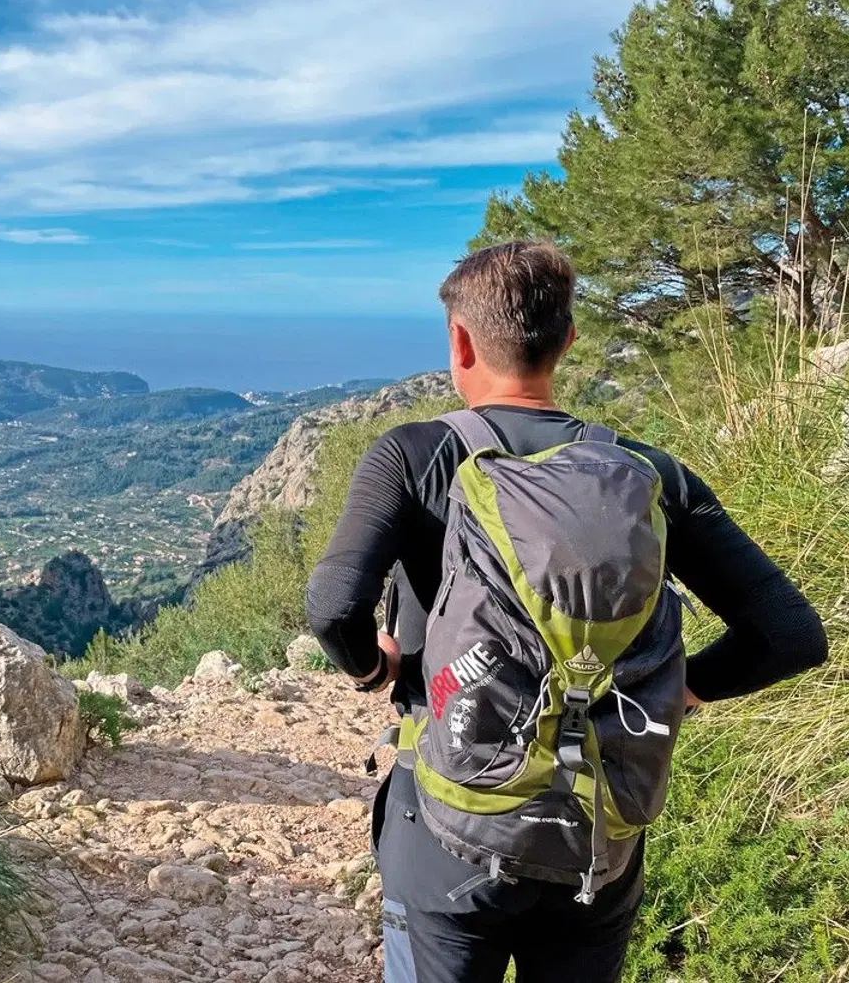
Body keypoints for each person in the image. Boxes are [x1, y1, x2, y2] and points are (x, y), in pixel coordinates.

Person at [305, 241, 829, 983]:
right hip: (598, 830)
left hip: (446, 827)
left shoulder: (415, 457)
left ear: (459, 340)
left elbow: (331, 608)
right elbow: (790, 635)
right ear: (567, 340)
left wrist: (372, 666)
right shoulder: (647, 474)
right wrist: (685, 689)